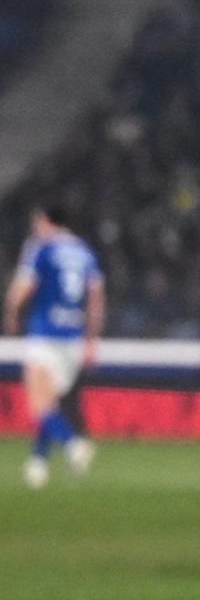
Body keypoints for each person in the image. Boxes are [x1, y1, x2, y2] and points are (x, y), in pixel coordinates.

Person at [6, 206, 101, 488]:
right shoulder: (85, 252)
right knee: (50, 403)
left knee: (39, 404)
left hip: (45, 334)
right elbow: (96, 297)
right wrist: (91, 339)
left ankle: (74, 444)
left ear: (47, 221)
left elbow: (24, 285)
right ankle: (37, 463)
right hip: (72, 337)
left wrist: (11, 309)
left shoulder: (41, 247)